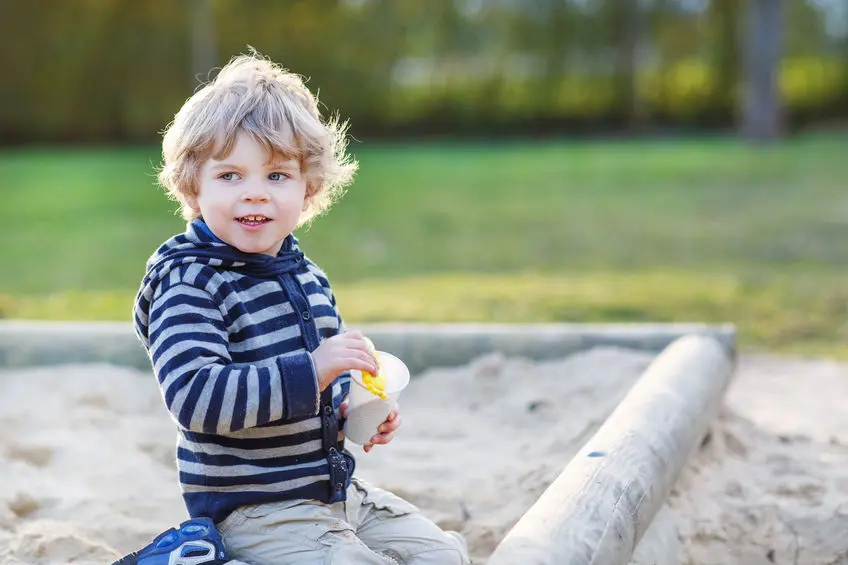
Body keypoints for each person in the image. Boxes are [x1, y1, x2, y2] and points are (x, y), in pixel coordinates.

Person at [125, 52, 470, 565]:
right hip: (256, 509)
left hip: (334, 496)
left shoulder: (305, 275)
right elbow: (195, 398)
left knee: (445, 556)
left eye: (278, 176)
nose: (255, 194)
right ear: (193, 185)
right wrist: (312, 370)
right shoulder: (189, 282)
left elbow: (321, 388)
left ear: (309, 189)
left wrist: (358, 413)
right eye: (231, 176)